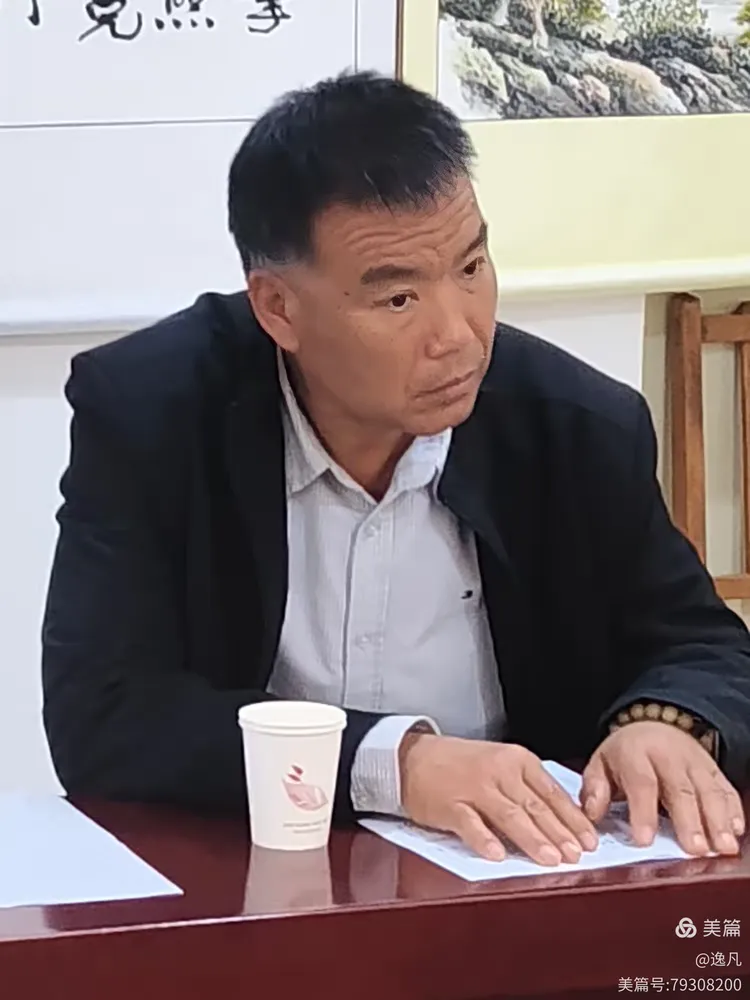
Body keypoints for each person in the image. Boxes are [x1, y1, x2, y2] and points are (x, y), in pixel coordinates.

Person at [42, 71, 750, 867]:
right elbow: (102, 714)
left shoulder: (577, 426)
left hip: (512, 878)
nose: (460, 336)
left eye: (472, 268)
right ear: (278, 308)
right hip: (251, 872)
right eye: (398, 301)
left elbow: (702, 646)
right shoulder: (153, 415)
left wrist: (665, 721)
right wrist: (394, 763)